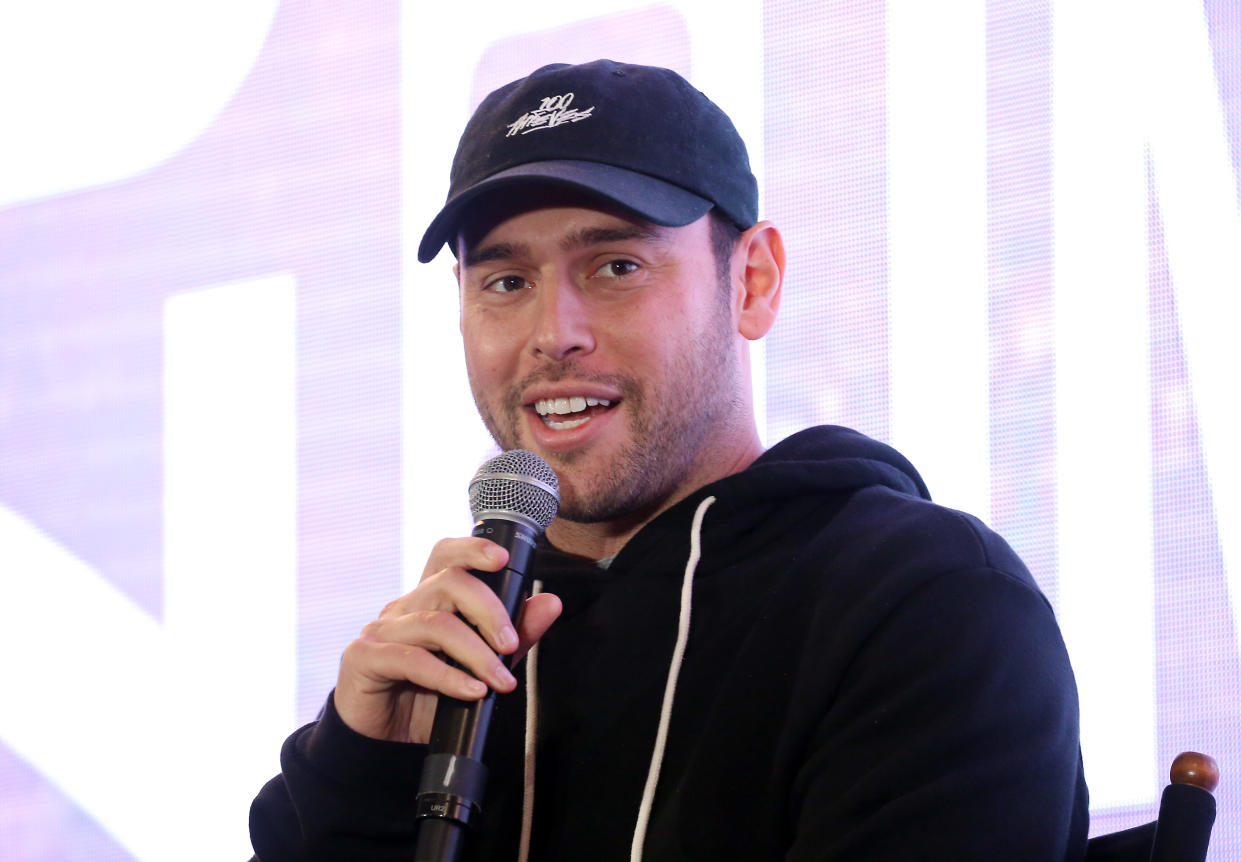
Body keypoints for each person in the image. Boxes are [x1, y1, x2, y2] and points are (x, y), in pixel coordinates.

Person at [249, 59, 1089, 861]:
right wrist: (356, 787)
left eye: (616, 266)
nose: (553, 334)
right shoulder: (448, 662)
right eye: (505, 283)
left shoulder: (924, 604)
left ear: (752, 281)